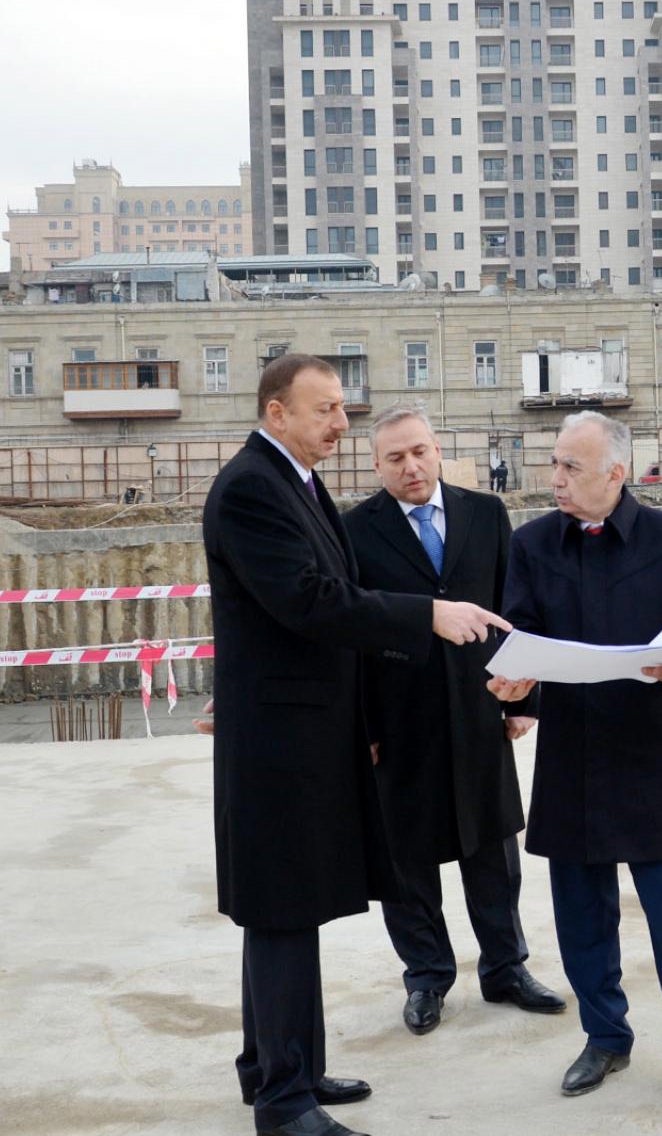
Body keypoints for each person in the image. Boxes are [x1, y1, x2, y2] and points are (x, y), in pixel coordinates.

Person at [200, 354, 508, 1136]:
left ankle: (280, 1069)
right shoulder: (249, 488)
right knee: (281, 915)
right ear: (277, 413)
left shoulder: (292, 484)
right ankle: (284, 1103)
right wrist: (425, 616)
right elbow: (308, 600)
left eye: (341, 408)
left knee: (289, 914)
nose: (342, 422)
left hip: (302, 733)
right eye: (326, 409)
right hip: (277, 744)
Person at [489, 411, 662, 1122]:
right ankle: (605, 1036)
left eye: (570, 467)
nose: (554, 479)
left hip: (650, 751)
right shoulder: (531, 544)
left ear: (616, 475)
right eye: (554, 464)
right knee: (580, 915)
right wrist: (511, 679)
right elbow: (515, 629)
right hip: (572, 753)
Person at [344, 407, 567, 1037]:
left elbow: (514, 609)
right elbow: (352, 633)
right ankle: (426, 978)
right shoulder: (354, 531)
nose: (410, 467)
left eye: (419, 452)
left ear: (438, 450)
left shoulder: (485, 514)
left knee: (493, 847)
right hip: (399, 720)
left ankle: (505, 968)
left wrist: (525, 701)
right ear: (376, 464)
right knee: (405, 859)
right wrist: (362, 729)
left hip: (479, 710)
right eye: (395, 458)